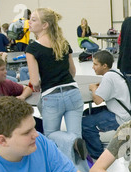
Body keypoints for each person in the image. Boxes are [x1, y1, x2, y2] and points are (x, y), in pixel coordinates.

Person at [26, 8, 87, 160]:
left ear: (45, 25)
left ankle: (63, 166)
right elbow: (72, 71)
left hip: (51, 97)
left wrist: (39, 84)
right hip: (73, 93)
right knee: (75, 137)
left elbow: (34, 82)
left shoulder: (32, 48)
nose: (29, 22)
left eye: (33, 20)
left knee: (51, 135)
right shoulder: (63, 43)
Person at [83, 50, 131, 161]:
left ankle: (97, 155)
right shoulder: (116, 72)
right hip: (125, 111)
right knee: (86, 113)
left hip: (120, 117)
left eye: (95, 64)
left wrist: (93, 89)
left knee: (85, 123)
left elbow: (97, 100)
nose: (93, 67)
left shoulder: (108, 77)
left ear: (104, 66)